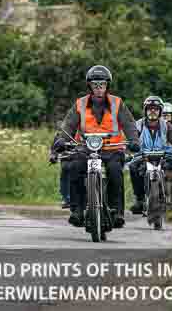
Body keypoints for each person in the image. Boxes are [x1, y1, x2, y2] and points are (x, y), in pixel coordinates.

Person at [51, 65, 141, 228]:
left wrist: (134, 140)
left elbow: (129, 124)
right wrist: (62, 140)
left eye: (102, 84)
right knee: (74, 166)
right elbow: (69, 124)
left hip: (112, 149)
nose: (99, 88)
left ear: (107, 85)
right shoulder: (80, 104)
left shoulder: (117, 103)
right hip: (86, 148)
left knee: (115, 171)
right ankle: (77, 210)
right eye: (95, 84)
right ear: (89, 86)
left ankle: (117, 211)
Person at [129, 96, 172, 214]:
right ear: (145, 110)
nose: (152, 111)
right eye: (149, 109)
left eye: (155, 109)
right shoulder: (138, 124)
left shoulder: (166, 125)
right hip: (144, 155)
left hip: (163, 155)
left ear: (160, 111)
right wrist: (129, 149)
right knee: (133, 167)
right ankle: (139, 199)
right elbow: (132, 139)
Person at [48, 139, 71, 209]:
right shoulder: (70, 128)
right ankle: (67, 198)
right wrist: (54, 154)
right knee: (66, 166)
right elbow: (61, 137)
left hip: (101, 150)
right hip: (71, 153)